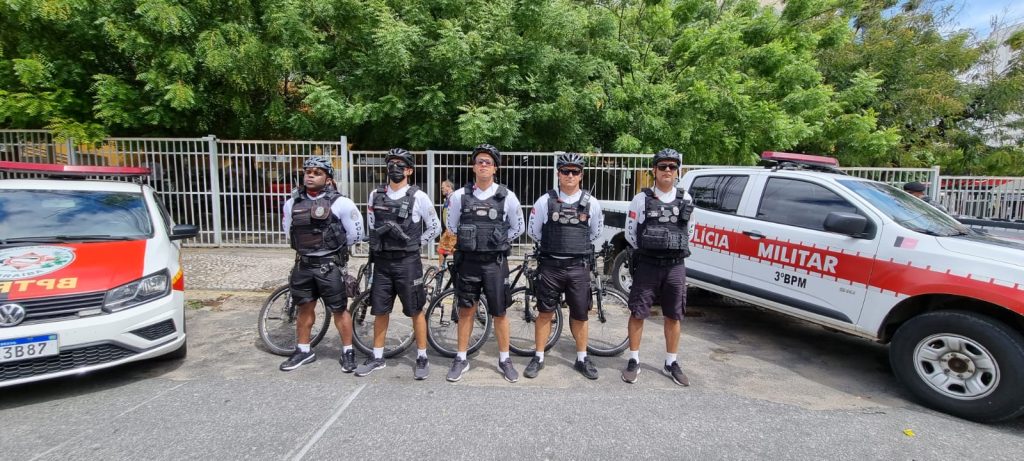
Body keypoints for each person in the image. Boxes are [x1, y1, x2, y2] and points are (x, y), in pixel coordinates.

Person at [354, 148, 441, 380]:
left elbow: (435, 227)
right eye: (391, 163)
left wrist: (416, 243)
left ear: (409, 171)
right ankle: (377, 356)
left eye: (400, 165)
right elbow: (372, 224)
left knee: (415, 309)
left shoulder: (419, 197)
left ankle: (422, 356)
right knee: (380, 310)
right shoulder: (375, 195)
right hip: (382, 263)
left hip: (407, 263)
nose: (395, 168)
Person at [445, 144, 526, 383]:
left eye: (488, 162)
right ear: (473, 167)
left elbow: (519, 227)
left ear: (495, 168)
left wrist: (500, 240)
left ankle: (505, 359)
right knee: (466, 310)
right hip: (468, 262)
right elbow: (451, 226)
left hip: (494, 263)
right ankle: (461, 358)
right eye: (479, 161)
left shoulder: (507, 196)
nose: (483, 165)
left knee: (499, 312)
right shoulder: (459, 196)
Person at [279, 156, 365, 372]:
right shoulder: (292, 203)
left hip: (329, 267)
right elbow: (288, 230)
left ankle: (348, 351)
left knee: (339, 310)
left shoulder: (341, 203)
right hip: (303, 265)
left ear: (328, 179)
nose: (310, 176)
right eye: (308, 172)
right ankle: (303, 350)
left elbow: (356, 234)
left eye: (317, 173)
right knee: (304, 308)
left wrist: (333, 248)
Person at [524, 152, 604, 380]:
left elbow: (595, 233)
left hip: (578, 267)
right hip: (551, 267)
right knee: (544, 313)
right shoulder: (545, 201)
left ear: (581, 175)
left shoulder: (592, 203)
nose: (570, 175)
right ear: (558, 174)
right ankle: (538, 357)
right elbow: (533, 231)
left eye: (575, 171)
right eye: (565, 171)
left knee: (580, 315)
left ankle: (582, 358)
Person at [621, 148, 694, 386]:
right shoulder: (641, 199)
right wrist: (650, 249)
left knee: (674, 315)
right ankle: (634, 359)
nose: (667, 170)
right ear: (654, 170)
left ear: (677, 171)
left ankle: (671, 362)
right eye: (662, 166)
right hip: (648, 265)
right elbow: (631, 233)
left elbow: (690, 231)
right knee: (638, 313)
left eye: (672, 167)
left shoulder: (686, 199)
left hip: (675, 266)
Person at [438, 179, 458, 258]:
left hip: (452, 231)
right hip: (449, 230)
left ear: (449, 187)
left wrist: (453, 229)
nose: (441, 189)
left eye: (443, 187)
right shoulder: (448, 198)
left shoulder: (454, 198)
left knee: (443, 249)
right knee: (443, 250)